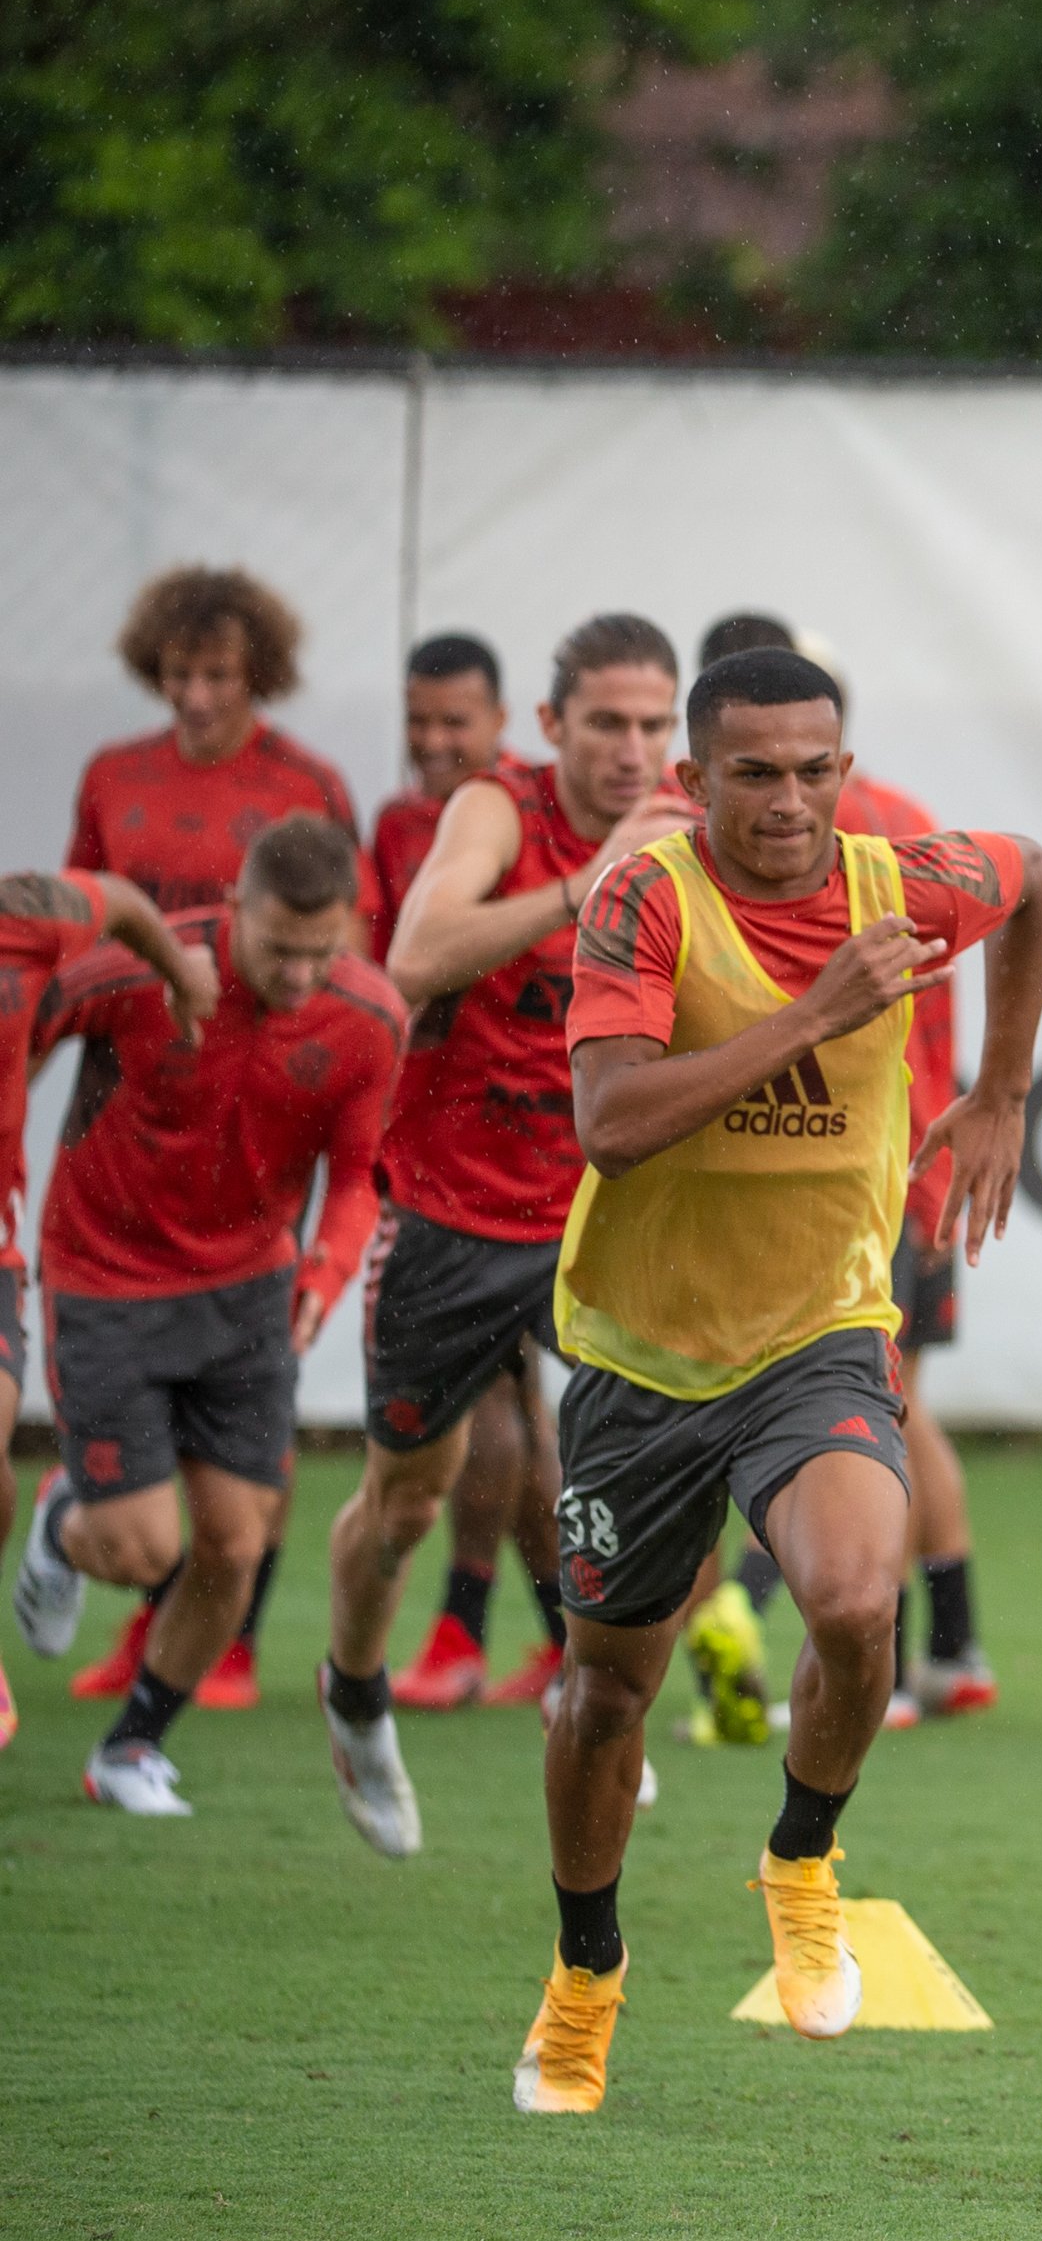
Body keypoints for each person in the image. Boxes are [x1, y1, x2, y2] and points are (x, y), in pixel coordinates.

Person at [511, 646, 1042, 2117]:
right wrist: (815, 1014)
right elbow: (614, 1124)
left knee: (856, 1602)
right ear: (693, 783)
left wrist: (1002, 1085)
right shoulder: (647, 900)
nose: (793, 800)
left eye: (819, 767)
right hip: (640, 1353)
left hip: (819, 1331)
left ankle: (804, 1853)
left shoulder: (901, 879)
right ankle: (585, 1971)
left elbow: (1037, 875)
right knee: (606, 1695)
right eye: (756, 772)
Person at [322, 618, 695, 1812]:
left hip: (607, 1212)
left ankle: (595, 1702)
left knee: (648, 1483)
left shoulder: (697, 822)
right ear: (552, 725)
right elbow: (415, 952)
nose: (634, 750)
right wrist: (588, 885)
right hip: (454, 1208)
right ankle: (354, 1682)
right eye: (606, 724)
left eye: (653, 724)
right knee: (404, 1504)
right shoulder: (499, 807)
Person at [15, 818, 401, 1834]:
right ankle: (64, 1520)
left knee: (233, 1544)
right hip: (106, 1279)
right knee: (144, 1548)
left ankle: (132, 1746)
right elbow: (22, 1030)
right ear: (235, 908)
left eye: (326, 947)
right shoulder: (138, 970)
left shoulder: (367, 1015)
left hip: (248, 1294)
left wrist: (327, 1266)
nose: (304, 969)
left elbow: (360, 1173)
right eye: (282, 946)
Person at [64, 566, 364, 1715]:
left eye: (219, 675)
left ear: (260, 674)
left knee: (245, 1360)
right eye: (179, 672)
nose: (196, 695)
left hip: (264, 1106)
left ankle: (220, 1632)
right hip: (133, 1097)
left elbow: (345, 929)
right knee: (149, 1349)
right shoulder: (115, 776)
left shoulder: (302, 784)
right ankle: (152, 1602)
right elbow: (77, 927)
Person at [696, 614, 993, 1724]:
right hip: (894, 1177)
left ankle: (877, 1648)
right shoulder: (906, 827)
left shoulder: (792, 848)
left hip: (855, 1182)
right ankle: (950, 1650)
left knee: (866, 1416)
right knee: (896, 1409)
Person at [368, 635, 577, 1711]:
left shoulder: (523, 818)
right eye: (420, 719)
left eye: (457, 720)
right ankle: (512, 1636)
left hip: (555, 1173)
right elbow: (391, 973)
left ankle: (500, 1634)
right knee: (490, 1419)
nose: (436, 738)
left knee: (551, 1418)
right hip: (447, 1167)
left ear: (507, 723)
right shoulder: (400, 828)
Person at [0, 870, 210, 1749]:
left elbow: (120, 901)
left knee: (146, 1547)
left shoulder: (23, 919)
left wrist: (178, 970)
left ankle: (54, 1519)